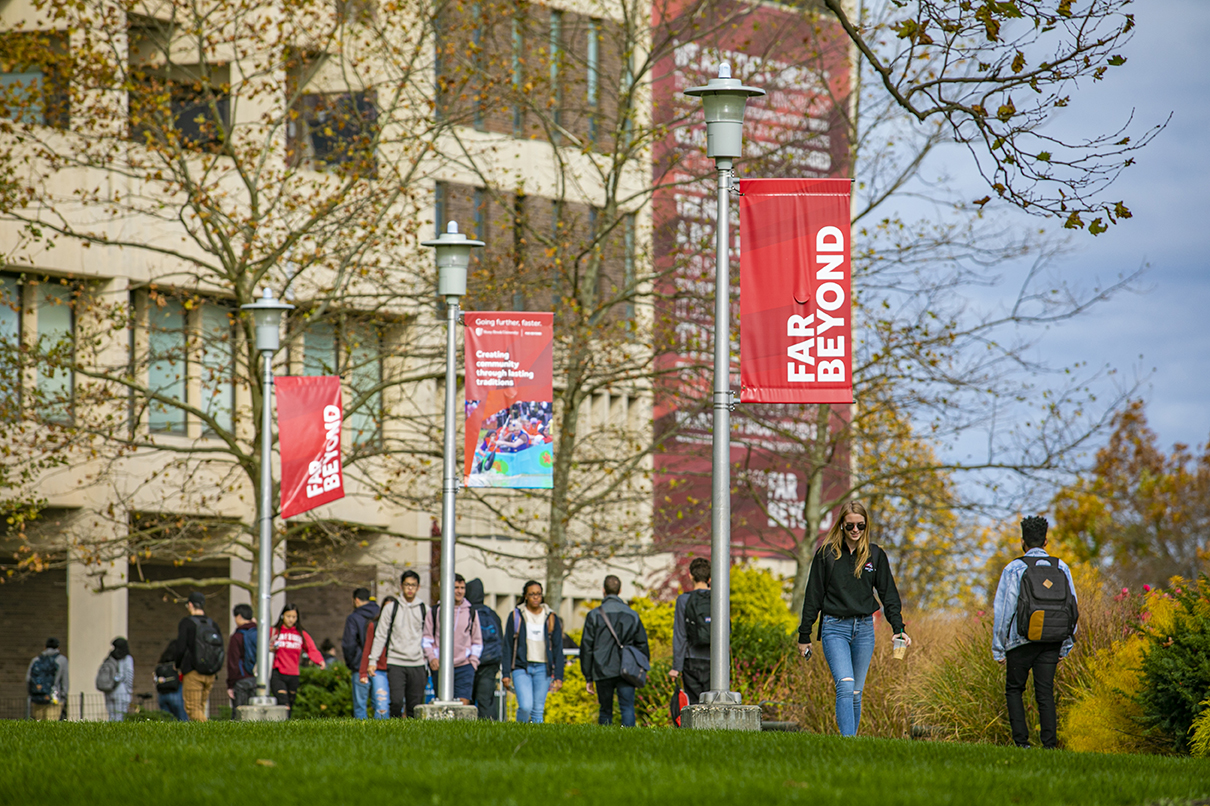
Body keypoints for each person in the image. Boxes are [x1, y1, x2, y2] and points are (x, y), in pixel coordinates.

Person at [797, 501, 910, 737]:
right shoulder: (826, 554)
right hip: (834, 627)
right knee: (846, 685)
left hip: (864, 630)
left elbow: (888, 594)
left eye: (860, 525)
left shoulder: (875, 555)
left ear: (866, 525)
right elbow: (813, 596)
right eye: (850, 526)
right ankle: (846, 742)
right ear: (841, 526)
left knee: (856, 692)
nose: (855, 530)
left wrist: (898, 628)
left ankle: (853, 743)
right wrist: (804, 635)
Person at [992, 515, 1079, 749]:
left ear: (1022, 542)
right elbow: (1072, 607)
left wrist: (999, 647)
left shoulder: (1013, 568)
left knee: (1014, 689)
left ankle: (1022, 743)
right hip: (1052, 639)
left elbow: (1004, 611)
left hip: (1020, 641)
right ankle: (1049, 745)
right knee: (1045, 693)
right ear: (1046, 542)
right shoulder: (1061, 567)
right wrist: (1066, 644)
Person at [580, 575, 649, 727]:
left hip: (602, 667)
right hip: (627, 667)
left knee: (605, 710)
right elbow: (642, 643)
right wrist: (642, 668)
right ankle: (629, 742)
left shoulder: (594, 615)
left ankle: (605, 744)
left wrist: (588, 676)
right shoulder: (632, 614)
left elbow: (586, 647)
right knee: (627, 707)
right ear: (620, 590)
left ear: (603, 590)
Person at [365, 570, 429, 718]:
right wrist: (372, 660)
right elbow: (380, 635)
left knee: (415, 705)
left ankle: (414, 736)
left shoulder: (425, 609)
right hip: (395, 662)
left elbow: (430, 637)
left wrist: (430, 658)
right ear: (401, 586)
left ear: (418, 587)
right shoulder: (390, 608)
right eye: (407, 585)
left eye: (413, 585)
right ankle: (395, 731)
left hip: (417, 663)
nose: (410, 588)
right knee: (396, 702)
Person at [502, 580, 566, 723]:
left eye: (538, 594)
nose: (536, 597)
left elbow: (557, 649)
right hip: (521, 668)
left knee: (537, 710)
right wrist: (506, 673)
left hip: (543, 669)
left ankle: (536, 743)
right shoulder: (516, 616)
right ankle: (519, 734)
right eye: (532, 594)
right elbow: (507, 646)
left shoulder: (550, 617)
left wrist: (559, 676)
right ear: (525, 596)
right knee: (525, 706)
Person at [423, 573, 483, 705]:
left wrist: (473, 662)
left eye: (462, 588)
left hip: (464, 666)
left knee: (463, 704)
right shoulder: (435, 611)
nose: (459, 591)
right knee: (444, 705)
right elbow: (427, 639)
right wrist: (432, 657)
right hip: (441, 666)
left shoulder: (471, 612)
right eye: (456, 587)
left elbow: (477, 641)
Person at [174, 591, 225, 722]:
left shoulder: (186, 623)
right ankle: (202, 739)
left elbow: (180, 648)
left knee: (192, 709)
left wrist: (177, 665)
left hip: (193, 672)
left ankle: (214, 733)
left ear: (190, 605)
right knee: (200, 708)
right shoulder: (212, 624)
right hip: (210, 673)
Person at [270, 603, 325, 716]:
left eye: (293, 617)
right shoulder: (274, 632)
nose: (291, 620)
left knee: (290, 704)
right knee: (283, 702)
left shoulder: (301, 634)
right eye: (288, 616)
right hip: (278, 673)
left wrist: (319, 661)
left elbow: (311, 649)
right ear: (282, 616)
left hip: (293, 674)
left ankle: (286, 728)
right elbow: (261, 645)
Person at [670, 557, 712, 706]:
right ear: (710, 578)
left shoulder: (683, 600)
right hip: (714, 661)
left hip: (691, 659)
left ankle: (695, 730)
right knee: (712, 704)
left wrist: (676, 667)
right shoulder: (718, 599)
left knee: (694, 705)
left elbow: (680, 634)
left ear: (691, 576)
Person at [466, 578, 506, 720]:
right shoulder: (492, 614)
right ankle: (490, 729)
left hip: (468, 663)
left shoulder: (465, 612)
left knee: (465, 700)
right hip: (489, 664)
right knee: (486, 700)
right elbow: (501, 639)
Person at [342, 587, 379, 719]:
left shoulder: (354, 618)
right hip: (378, 665)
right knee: (380, 704)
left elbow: (349, 644)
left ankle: (361, 734)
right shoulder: (380, 614)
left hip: (359, 665)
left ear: (356, 600)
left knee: (360, 706)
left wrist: (351, 662)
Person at [358, 596, 398, 720]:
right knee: (382, 704)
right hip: (379, 670)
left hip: (398, 668)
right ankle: (380, 734)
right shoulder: (374, 626)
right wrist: (363, 672)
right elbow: (367, 648)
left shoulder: (401, 627)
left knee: (398, 704)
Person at [226, 603, 258, 716]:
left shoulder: (237, 637)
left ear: (239, 616)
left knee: (239, 714)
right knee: (254, 715)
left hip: (241, 680)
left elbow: (233, 663)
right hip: (256, 680)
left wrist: (230, 685)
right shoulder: (258, 633)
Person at [26, 637, 68, 721]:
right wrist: (63, 697)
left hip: (38, 697)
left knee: (39, 724)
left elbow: (28, 679)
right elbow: (65, 680)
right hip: (54, 698)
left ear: (44, 647)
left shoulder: (36, 660)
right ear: (58, 648)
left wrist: (33, 693)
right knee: (51, 726)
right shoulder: (62, 660)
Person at [102, 637, 135, 722]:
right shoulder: (127, 658)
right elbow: (129, 674)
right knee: (120, 715)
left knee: (111, 715)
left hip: (109, 689)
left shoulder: (110, 658)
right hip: (122, 689)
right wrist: (129, 689)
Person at [155, 640, 188, 721]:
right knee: (183, 721)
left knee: (167, 721)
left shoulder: (162, 664)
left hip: (162, 695)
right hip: (176, 693)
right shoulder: (177, 665)